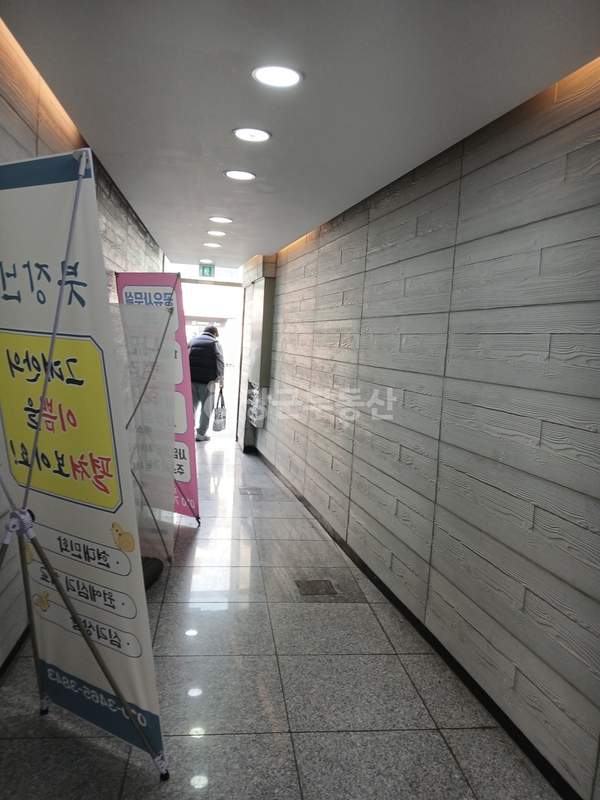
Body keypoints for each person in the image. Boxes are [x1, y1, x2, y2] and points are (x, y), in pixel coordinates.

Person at [188, 325, 224, 442]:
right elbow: (220, 362)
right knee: (206, 409)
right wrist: (221, 379)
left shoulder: (192, 341)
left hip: (191, 380)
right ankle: (200, 434)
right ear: (215, 334)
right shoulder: (215, 343)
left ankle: (189, 432)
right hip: (208, 382)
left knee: (191, 407)